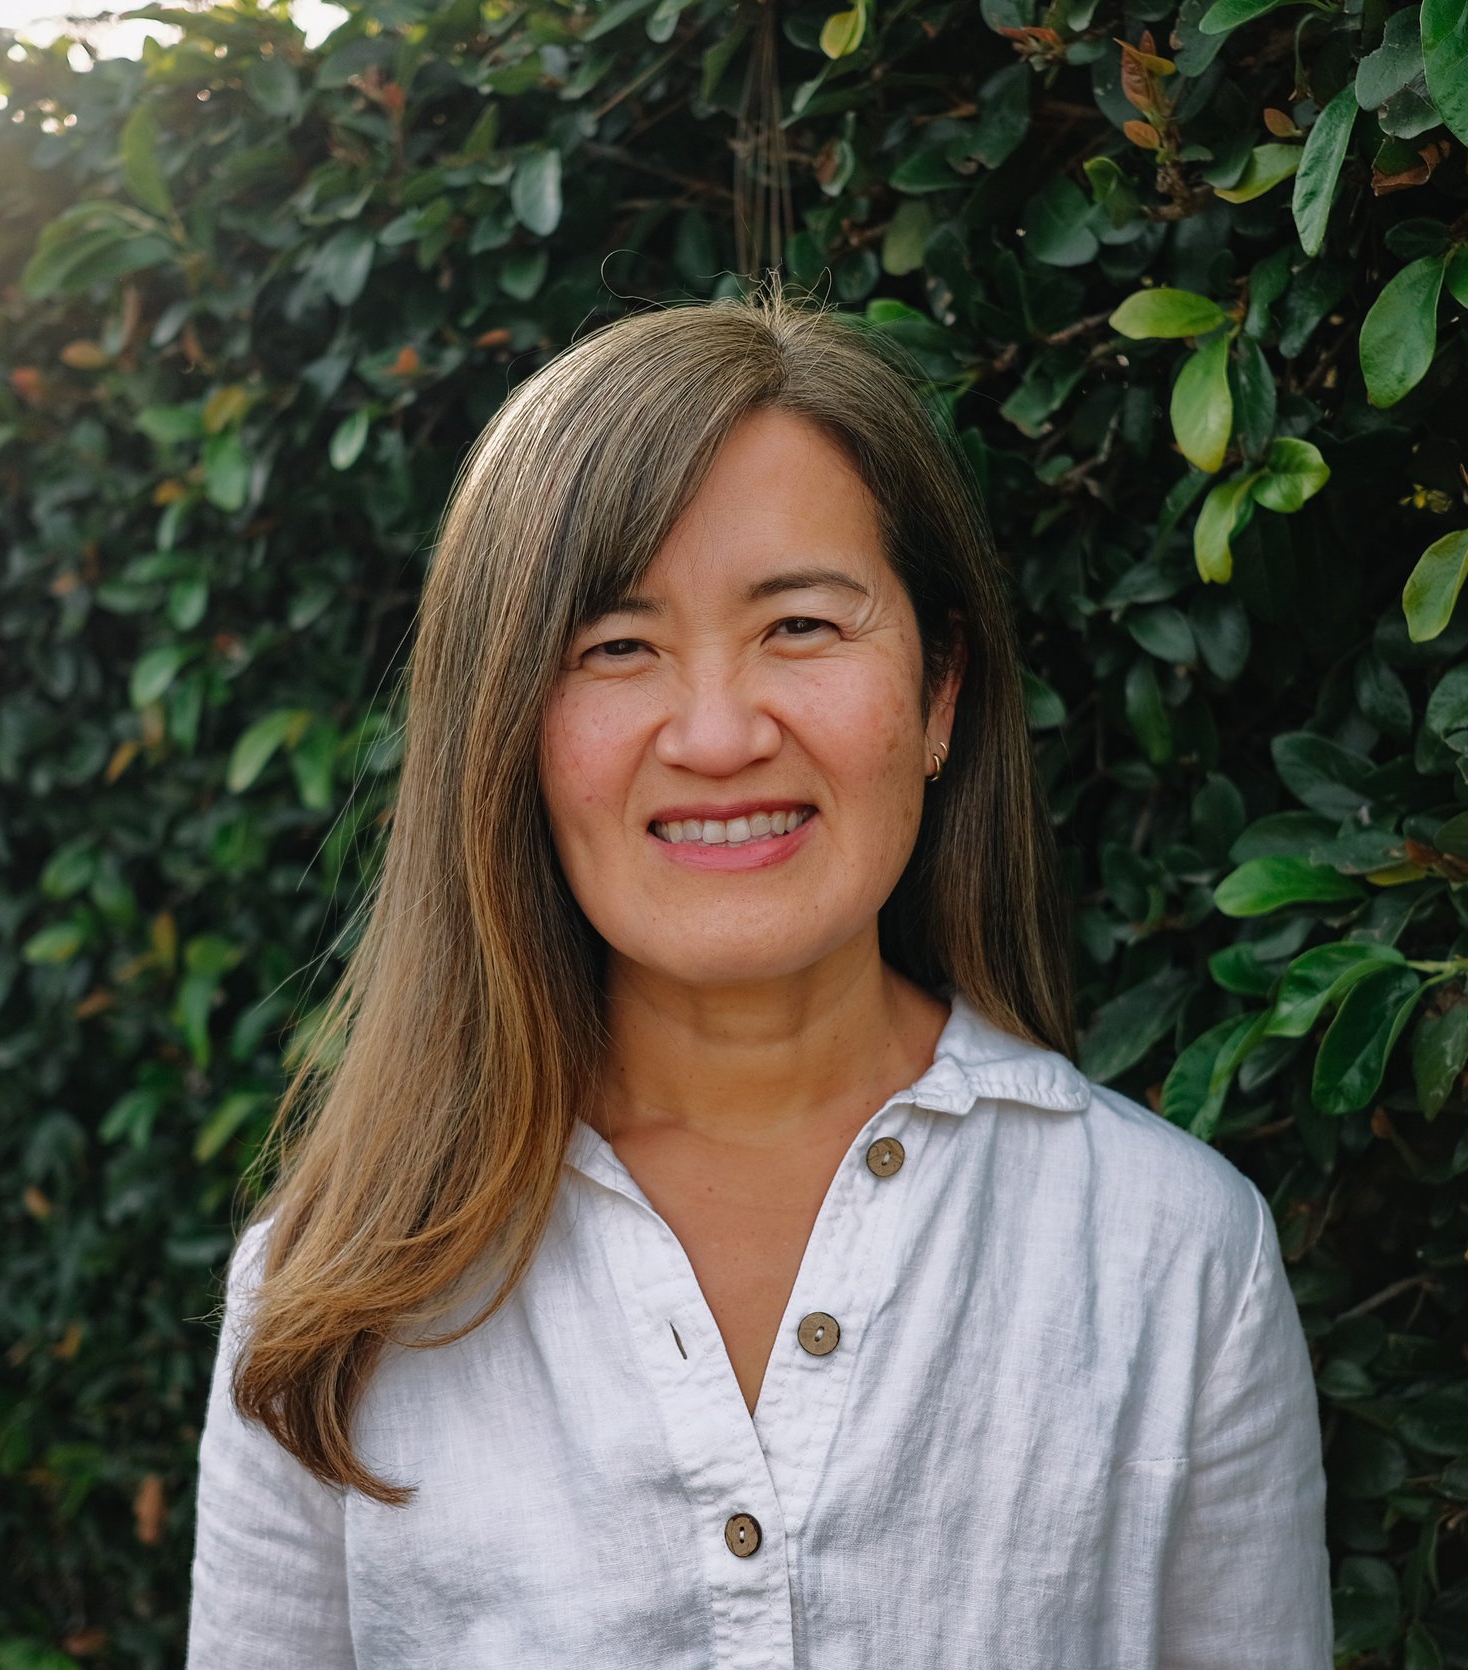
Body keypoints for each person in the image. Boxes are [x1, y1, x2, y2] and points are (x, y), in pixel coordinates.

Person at [185, 290, 1331, 1668]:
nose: (719, 734)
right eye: (616, 647)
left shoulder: (1175, 1257)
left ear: (941, 691)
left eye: (800, 625)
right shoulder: (335, 1289)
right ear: (511, 731)